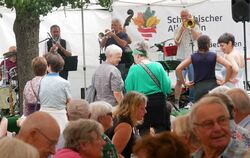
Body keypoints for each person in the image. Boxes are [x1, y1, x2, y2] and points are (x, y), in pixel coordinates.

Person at [125, 40, 172, 135]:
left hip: (141, 103)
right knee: (161, 128)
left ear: (137, 55)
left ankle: (146, 148)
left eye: (133, 57)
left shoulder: (133, 69)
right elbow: (167, 87)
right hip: (158, 101)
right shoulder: (158, 66)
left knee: (144, 129)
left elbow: (129, 90)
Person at [176, 35, 232, 102]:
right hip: (213, 87)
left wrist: (184, 83)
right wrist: (225, 81)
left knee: (200, 110)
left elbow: (178, 69)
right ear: (209, 44)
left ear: (198, 44)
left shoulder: (193, 57)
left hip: (199, 88)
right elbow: (229, 66)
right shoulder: (214, 55)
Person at [105, 91, 147, 158]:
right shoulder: (125, 126)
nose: (145, 111)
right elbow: (114, 154)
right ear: (133, 108)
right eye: (142, 108)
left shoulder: (123, 119)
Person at [174, 9, 201, 107]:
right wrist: (181, 30)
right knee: (179, 81)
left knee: (192, 80)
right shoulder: (178, 28)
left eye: (186, 16)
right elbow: (176, 42)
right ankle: (176, 102)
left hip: (193, 57)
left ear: (190, 16)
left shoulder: (195, 26)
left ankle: (192, 101)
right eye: (183, 16)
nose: (184, 18)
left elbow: (197, 38)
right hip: (181, 57)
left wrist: (191, 27)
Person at [39, 53, 71, 132]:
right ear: (61, 67)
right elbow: (69, 102)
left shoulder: (41, 81)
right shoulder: (65, 83)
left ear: (48, 66)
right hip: (60, 117)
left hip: (44, 116)